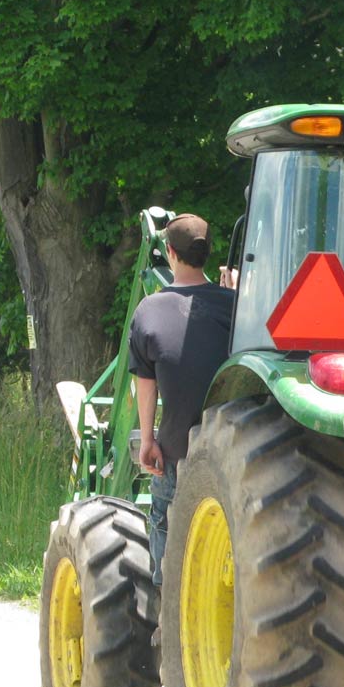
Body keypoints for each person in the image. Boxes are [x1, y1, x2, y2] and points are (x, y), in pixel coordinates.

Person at [129, 213, 236, 586]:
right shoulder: (235, 307)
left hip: (176, 455)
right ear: (206, 253)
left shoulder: (149, 310)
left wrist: (147, 440)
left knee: (169, 565)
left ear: (170, 253)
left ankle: (165, 623)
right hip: (232, 456)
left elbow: (147, 384)